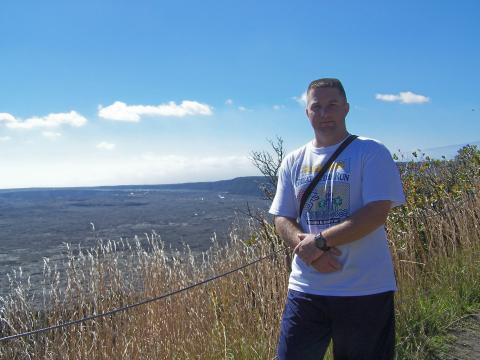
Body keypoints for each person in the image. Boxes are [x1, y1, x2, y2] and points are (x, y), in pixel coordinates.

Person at [269, 78, 405, 359]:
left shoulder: (370, 152)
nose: (324, 114)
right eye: (316, 107)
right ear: (307, 112)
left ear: (346, 108)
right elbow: (282, 217)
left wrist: (318, 243)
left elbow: (376, 212)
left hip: (364, 288)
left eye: (332, 105)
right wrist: (310, 251)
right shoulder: (294, 160)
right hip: (307, 287)